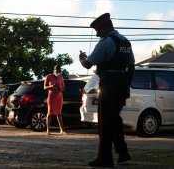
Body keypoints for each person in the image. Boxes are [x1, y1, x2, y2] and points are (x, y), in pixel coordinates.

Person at [79, 13, 135, 167]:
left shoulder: (106, 42)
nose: (97, 34)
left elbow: (88, 64)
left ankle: (105, 158)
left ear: (104, 28)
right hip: (122, 84)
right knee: (115, 120)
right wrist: (126, 85)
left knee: (104, 122)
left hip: (108, 84)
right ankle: (123, 153)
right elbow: (131, 66)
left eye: (98, 31)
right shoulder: (125, 41)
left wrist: (82, 58)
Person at [44, 65, 66, 135]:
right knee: (49, 113)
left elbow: (63, 87)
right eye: (57, 70)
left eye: (59, 70)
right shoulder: (48, 76)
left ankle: (62, 130)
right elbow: (44, 87)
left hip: (59, 97)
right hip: (51, 97)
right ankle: (48, 130)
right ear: (54, 70)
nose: (58, 72)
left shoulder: (61, 77)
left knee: (59, 114)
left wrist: (60, 88)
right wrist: (51, 86)